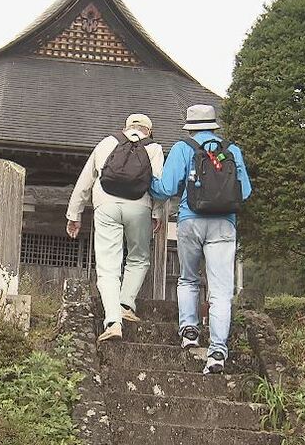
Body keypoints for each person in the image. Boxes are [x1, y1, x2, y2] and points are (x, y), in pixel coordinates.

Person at [149, 104, 252, 374]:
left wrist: (146, 182)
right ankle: (217, 350)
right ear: (214, 125)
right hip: (224, 225)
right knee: (220, 291)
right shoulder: (232, 150)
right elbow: (246, 192)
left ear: (190, 126)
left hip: (190, 221)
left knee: (188, 278)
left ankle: (190, 330)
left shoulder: (183, 148)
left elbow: (166, 188)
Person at [66, 114, 164, 342]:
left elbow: (85, 180)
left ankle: (112, 321)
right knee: (138, 257)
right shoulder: (154, 147)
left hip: (106, 205)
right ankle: (125, 304)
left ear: (126, 128)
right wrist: (156, 212)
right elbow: (158, 182)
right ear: (148, 131)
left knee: (108, 266)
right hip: (139, 206)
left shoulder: (107, 142)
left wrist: (75, 214)